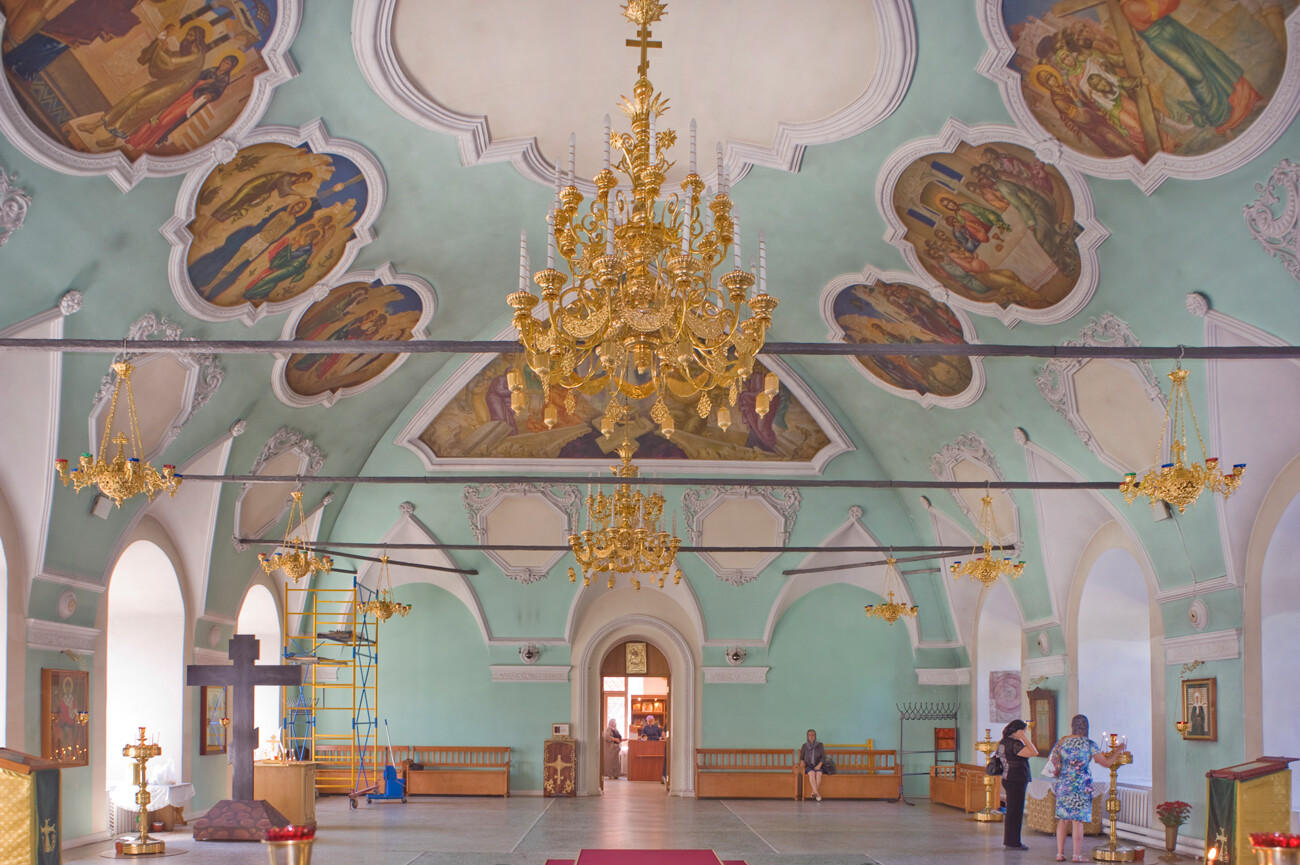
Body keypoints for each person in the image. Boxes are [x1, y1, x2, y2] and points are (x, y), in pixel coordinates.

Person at [1046, 714, 1120, 862]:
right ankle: (1076, 855)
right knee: (1077, 820)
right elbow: (1105, 763)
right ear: (1086, 726)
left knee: (1063, 819)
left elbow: (1052, 759)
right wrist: (1118, 750)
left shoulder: (1062, 742)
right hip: (1081, 785)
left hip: (1064, 784)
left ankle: (1060, 853)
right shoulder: (1089, 744)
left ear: (1072, 725)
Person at [1000, 719, 1039, 850]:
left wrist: (1021, 736)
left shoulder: (1003, 742)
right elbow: (1034, 752)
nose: (1025, 732)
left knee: (1012, 811)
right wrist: (1023, 738)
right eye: (1024, 730)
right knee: (1015, 812)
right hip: (1016, 779)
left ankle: (1010, 840)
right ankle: (1013, 842)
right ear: (1017, 730)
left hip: (1008, 778)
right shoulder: (1015, 743)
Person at [799, 729, 826, 801]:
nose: (811, 736)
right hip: (808, 766)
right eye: (809, 735)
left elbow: (823, 757)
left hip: (818, 765)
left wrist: (819, 765)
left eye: (813, 735)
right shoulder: (804, 746)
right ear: (807, 736)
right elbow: (801, 757)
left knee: (819, 773)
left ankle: (814, 792)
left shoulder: (820, 745)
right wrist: (802, 762)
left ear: (815, 736)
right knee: (812, 773)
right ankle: (817, 793)